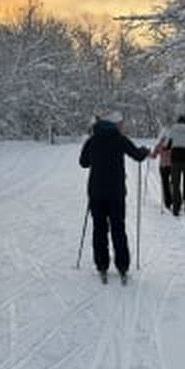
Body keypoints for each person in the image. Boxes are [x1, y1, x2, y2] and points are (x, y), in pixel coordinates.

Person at [79, 111, 150, 283]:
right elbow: (137, 156)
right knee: (118, 228)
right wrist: (145, 150)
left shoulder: (92, 140)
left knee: (99, 228)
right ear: (114, 125)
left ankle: (102, 264)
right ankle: (122, 265)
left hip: (96, 192)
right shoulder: (120, 139)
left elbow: (83, 163)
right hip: (116, 192)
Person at [151, 127, 173, 210]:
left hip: (163, 166)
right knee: (174, 183)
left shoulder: (160, 144)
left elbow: (154, 155)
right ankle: (176, 199)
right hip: (172, 166)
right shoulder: (172, 143)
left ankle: (167, 202)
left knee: (165, 183)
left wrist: (148, 154)